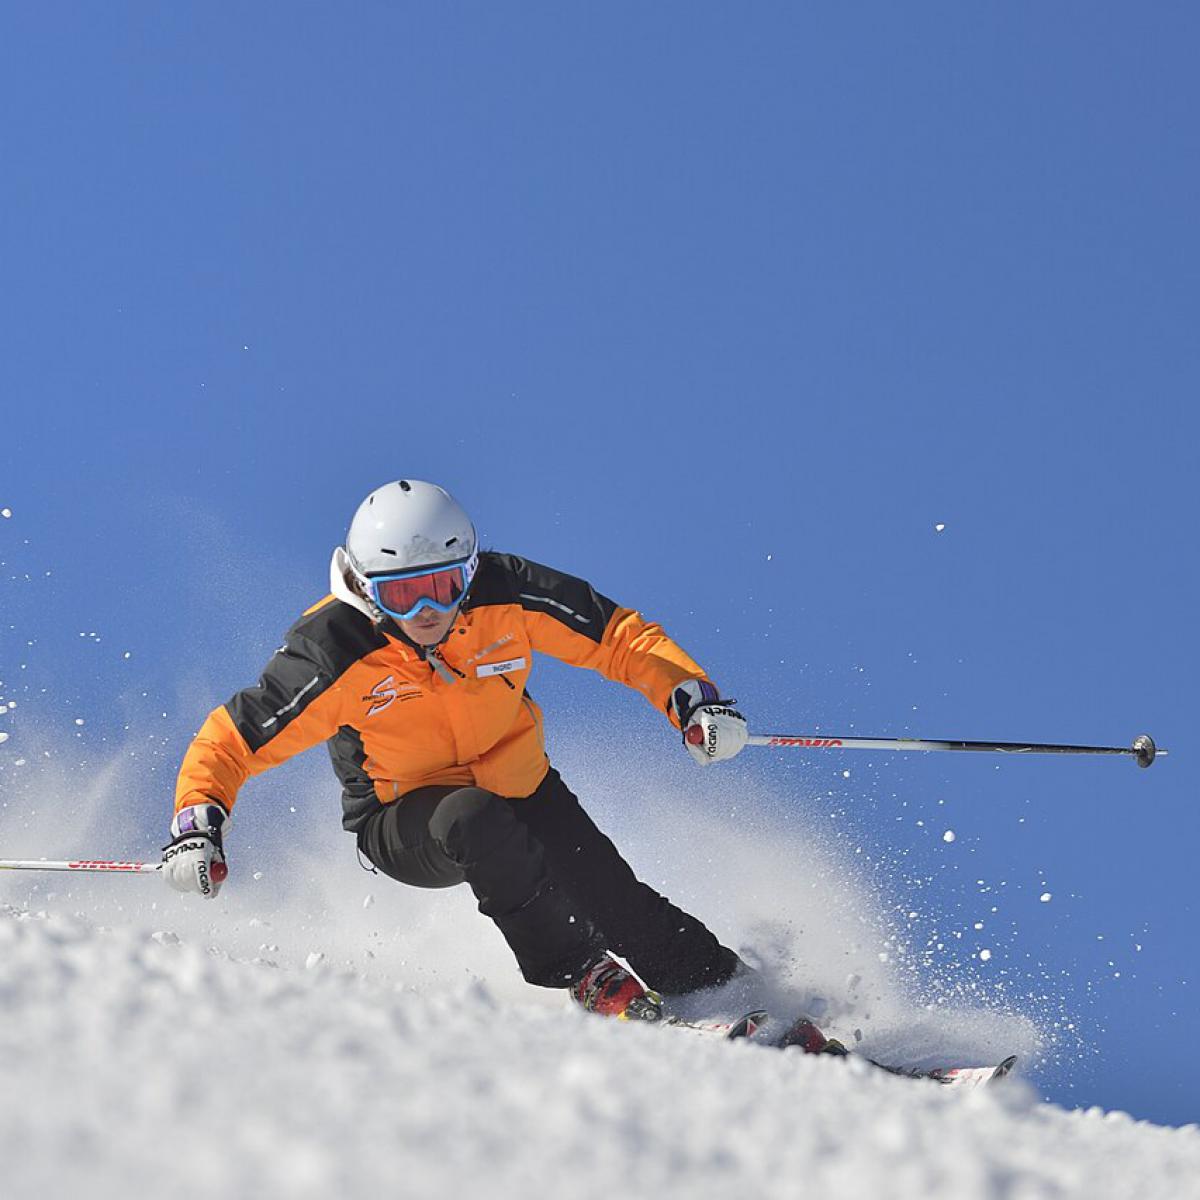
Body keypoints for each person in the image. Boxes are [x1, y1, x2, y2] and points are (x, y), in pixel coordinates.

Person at [162, 480, 756, 1022]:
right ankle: (582, 970)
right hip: (405, 818)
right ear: (365, 588)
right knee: (472, 817)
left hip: (522, 785)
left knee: (609, 891)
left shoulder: (506, 594)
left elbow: (617, 637)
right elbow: (234, 738)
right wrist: (197, 824)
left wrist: (693, 700)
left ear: (468, 571)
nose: (427, 613)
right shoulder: (333, 650)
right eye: (402, 595)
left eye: (443, 587)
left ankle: (723, 993)